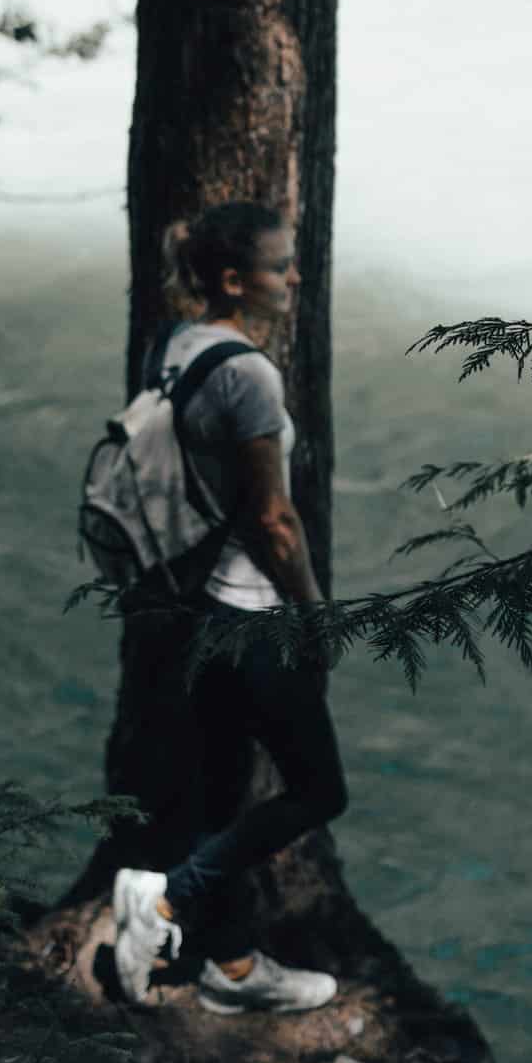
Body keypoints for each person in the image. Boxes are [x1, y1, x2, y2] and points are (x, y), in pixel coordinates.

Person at [111, 200, 348, 1012]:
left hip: (190, 609)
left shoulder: (173, 345)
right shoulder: (249, 373)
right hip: (248, 615)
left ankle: (232, 967)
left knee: (218, 794)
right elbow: (273, 519)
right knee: (319, 792)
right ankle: (166, 901)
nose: (295, 278)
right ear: (233, 279)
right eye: (282, 266)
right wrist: (316, 615)